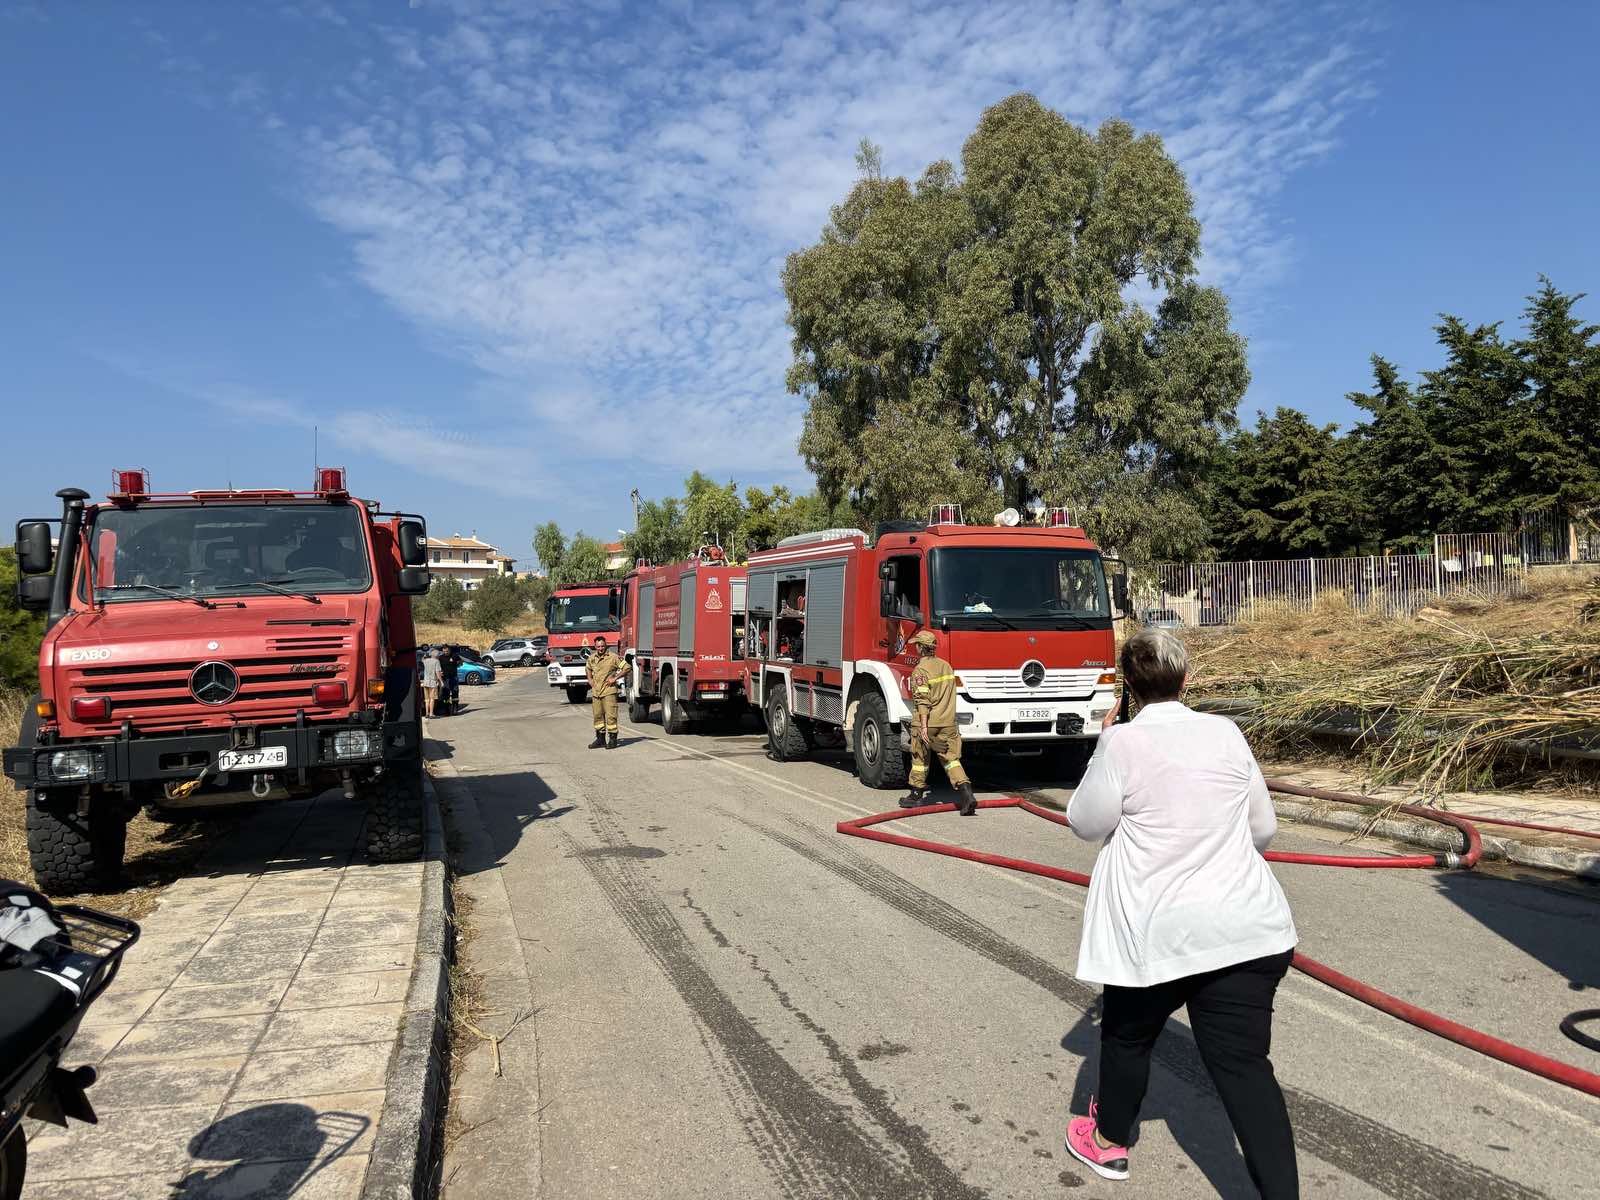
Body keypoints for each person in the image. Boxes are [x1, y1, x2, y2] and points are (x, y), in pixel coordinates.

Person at [1063, 628, 1299, 1196]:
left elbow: (1085, 821)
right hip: (1246, 930)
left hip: (1156, 933)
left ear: (1129, 687)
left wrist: (1102, 743)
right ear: (1187, 679)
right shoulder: (1225, 733)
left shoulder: (1121, 743)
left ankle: (1110, 1141)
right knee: (1245, 1069)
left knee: (1126, 1037)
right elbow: (1262, 829)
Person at [898, 630, 977, 816]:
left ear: (920, 648)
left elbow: (922, 700)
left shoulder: (921, 670)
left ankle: (916, 795)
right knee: (951, 759)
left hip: (928, 723)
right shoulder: (946, 666)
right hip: (948, 723)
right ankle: (966, 793)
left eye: (917, 644)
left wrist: (924, 727)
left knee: (920, 759)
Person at [585, 636, 624, 750]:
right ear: (595, 647)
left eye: (602, 646)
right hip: (596, 692)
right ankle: (600, 739)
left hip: (609, 692)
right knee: (597, 717)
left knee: (611, 717)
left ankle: (613, 740)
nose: (600, 648)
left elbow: (626, 667)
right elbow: (588, 668)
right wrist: (590, 680)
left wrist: (615, 678)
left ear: (605, 645)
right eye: (598, 646)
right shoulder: (592, 658)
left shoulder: (613, 657)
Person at [419, 649, 442, 719]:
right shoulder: (436, 661)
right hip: (433, 682)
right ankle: (431, 713)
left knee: (426, 699)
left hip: (425, 682)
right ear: (437, 655)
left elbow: (422, 659)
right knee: (432, 699)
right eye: (438, 655)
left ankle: (427, 713)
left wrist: (425, 655)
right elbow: (437, 672)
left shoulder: (426, 661)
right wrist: (441, 681)